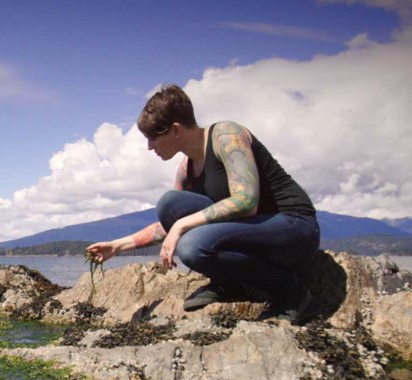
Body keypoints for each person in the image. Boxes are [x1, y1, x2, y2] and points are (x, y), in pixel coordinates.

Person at [86, 84, 320, 325]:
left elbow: (246, 201)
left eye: (153, 138)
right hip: (251, 232)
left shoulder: (227, 136)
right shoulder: (186, 169)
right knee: (171, 204)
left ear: (175, 129)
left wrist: (181, 227)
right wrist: (117, 246)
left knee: (192, 246)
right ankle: (230, 284)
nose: (149, 147)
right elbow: (170, 223)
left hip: (293, 227)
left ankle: (289, 291)